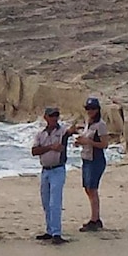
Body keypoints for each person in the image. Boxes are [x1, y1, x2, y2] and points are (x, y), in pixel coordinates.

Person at [31, 107, 79, 244]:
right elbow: (34, 151)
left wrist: (74, 130)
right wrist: (50, 147)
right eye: (52, 116)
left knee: (55, 202)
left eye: (56, 116)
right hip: (45, 170)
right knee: (46, 201)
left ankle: (56, 233)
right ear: (46, 117)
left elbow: (69, 132)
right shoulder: (41, 134)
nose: (54, 118)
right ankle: (50, 230)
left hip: (57, 169)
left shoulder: (62, 131)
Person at [75, 97, 109, 232]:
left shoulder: (100, 125)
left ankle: (95, 219)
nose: (90, 111)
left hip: (96, 160)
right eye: (88, 109)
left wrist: (88, 142)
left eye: (92, 109)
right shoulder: (89, 123)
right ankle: (95, 217)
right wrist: (80, 142)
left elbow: (104, 144)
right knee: (88, 188)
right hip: (87, 159)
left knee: (92, 188)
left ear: (98, 110)